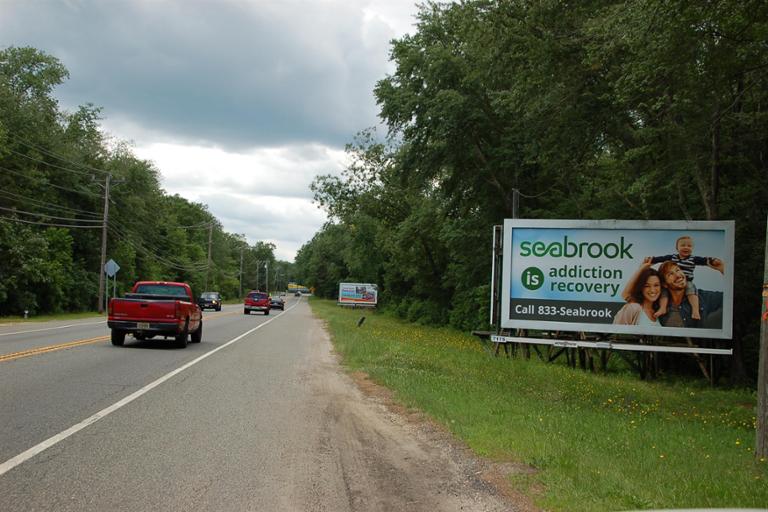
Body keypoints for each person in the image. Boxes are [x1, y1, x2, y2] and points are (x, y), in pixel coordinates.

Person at [648, 235, 722, 321]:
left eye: (689, 246)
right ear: (677, 248)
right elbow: (661, 258)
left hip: (687, 281)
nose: (686, 247)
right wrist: (652, 260)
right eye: (683, 245)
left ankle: (695, 310)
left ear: (692, 248)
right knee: (664, 292)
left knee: (691, 292)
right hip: (673, 283)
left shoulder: (693, 259)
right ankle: (663, 308)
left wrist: (713, 261)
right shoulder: (673, 257)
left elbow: (704, 260)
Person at [656, 260, 724, 329]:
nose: (678, 275)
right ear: (664, 284)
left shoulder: (703, 298)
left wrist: (723, 269)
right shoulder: (659, 305)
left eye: (678, 270)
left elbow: (729, 299)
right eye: (670, 274)